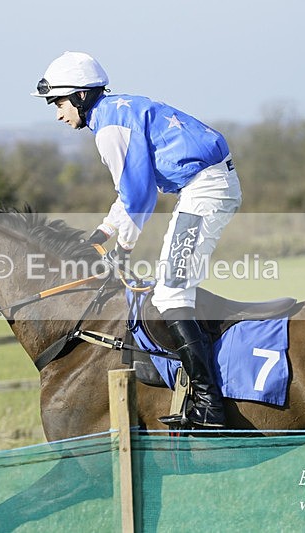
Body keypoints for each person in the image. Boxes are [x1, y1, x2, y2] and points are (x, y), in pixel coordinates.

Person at [32, 51, 241, 428]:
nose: (59, 115)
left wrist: (124, 249)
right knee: (170, 292)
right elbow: (132, 192)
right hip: (203, 186)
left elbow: (140, 197)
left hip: (205, 189)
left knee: (171, 295)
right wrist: (104, 234)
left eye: (59, 103)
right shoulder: (113, 111)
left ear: (80, 96)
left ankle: (210, 405)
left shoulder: (109, 127)